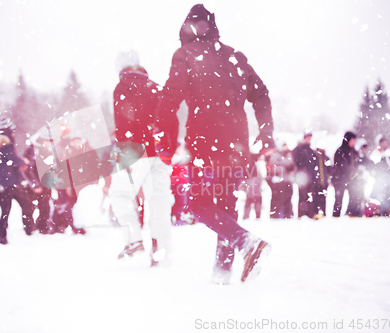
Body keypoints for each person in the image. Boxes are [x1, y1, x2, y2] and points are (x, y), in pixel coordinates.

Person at [155, 4, 273, 283]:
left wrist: (164, 142)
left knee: (198, 205)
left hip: (205, 144)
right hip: (237, 146)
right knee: (225, 206)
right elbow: (262, 95)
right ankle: (221, 274)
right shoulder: (234, 56)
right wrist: (266, 132)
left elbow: (169, 100)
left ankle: (247, 243)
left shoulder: (184, 55)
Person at [109, 51, 173, 267]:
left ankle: (133, 239)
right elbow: (170, 118)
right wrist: (167, 148)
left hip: (134, 150)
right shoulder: (156, 87)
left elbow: (125, 118)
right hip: (160, 152)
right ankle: (161, 252)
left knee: (119, 194)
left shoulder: (123, 86)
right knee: (159, 202)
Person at [0, 116, 35, 244]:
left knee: (7, 210)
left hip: (2, 183)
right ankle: (21, 232)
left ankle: (12, 234)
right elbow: (13, 159)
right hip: (7, 183)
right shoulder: (5, 144)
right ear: (10, 131)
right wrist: (24, 161)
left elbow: (6, 162)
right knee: (21, 205)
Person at [22, 133, 52, 234]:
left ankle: (43, 227)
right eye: (47, 141)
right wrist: (34, 184)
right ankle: (29, 228)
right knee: (29, 207)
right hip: (32, 185)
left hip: (45, 184)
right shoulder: (31, 150)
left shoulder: (47, 151)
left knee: (45, 206)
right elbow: (26, 169)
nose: (48, 144)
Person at [332, 131, 360, 217]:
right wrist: (351, 170)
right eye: (352, 140)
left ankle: (351, 213)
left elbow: (358, 162)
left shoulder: (354, 152)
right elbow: (340, 165)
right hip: (340, 178)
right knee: (339, 198)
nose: (353, 142)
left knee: (354, 196)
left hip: (352, 179)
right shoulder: (340, 151)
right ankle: (336, 216)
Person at [369, 135, 390, 216]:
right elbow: (373, 167)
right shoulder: (376, 153)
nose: (384, 143)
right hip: (381, 177)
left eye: (385, 141)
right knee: (377, 194)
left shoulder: (389, 152)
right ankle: (385, 209)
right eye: (382, 142)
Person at [292, 131, 317, 218]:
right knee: (302, 196)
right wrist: (300, 171)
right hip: (302, 176)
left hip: (310, 177)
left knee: (309, 196)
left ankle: (309, 214)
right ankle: (302, 214)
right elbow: (295, 161)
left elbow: (313, 164)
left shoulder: (311, 150)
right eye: (307, 137)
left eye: (310, 137)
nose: (309, 139)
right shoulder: (299, 149)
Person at [267, 142, 295, 219]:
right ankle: (275, 215)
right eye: (283, 146)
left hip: (288, 180)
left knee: (288, 198)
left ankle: (287, 214)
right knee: (278, 199)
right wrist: (284, 168)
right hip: (278, 181)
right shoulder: (275, 156)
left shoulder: (289, 154)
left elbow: (292, 165)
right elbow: (273, 168)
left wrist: (290, 168)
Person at [312, 140, 332, 218]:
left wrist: (329, 178)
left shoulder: (326, 158)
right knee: (315, 199)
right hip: (316, 182)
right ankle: (315, 213)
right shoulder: (314, 157)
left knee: (323, 199)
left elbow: (330, 170)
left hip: (324, 182)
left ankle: (323, 213)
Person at [243, 154, 263, 220]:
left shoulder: (246, 160)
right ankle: (257, 215)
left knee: (250, 198)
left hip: (249, 179)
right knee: (255, 198)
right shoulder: (252, 161)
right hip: (253, 179)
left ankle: (246, 215)